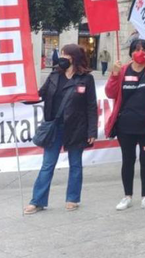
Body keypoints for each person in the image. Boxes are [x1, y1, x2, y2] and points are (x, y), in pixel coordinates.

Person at [24, 45, 98, 214]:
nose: (61, 57)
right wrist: (21, 97)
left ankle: (72, 198)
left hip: (77, 127)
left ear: (74, 57)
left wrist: (92, 131)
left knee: (75, 164)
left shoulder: (86, 79)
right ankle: (37, 201)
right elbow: (40, 94)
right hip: (54, 127)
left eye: (65, 54)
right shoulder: (54, 74)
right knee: (47, 165)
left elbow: (91, 106)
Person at [105, 39, 145, 212]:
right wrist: (114, 75)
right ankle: (127, 196)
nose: (140, 52)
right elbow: (110, 93)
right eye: (137, 49)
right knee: (128, 160)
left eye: (143, 49)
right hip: (125, 126)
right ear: (131, 52)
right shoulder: (122, 70)